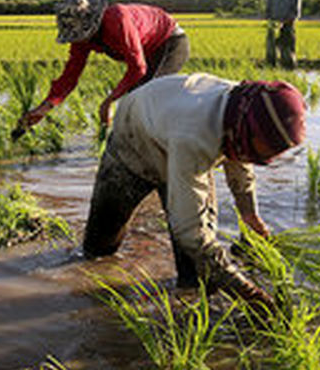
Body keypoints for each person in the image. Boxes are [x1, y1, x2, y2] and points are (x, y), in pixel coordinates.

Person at [82, 72, 306, 311]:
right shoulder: (196, 135)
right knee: (98, 249)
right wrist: (246, 291)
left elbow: (240, 158)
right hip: (133, 141)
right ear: (246, 126)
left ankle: (185, 307)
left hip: (177, 135)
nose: (258, 157)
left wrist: (249, 214)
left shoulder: (243, 107)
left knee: (197, 274)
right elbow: (192, 231)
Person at [16, 0, 189, 133]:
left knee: (146, 98)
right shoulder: (81, 40)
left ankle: (179, 139)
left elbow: (137, 68)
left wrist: (109, 101)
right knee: (136, 102)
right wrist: (45, 107)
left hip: (169, 42)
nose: (78, 39)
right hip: (146, 51)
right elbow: (70, 76)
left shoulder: (117, 20)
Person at [264, 0, 301, 68]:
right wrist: (272, 22)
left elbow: (296, 14)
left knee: (287, 54)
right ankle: (271, 73)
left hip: (287, 28)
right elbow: (267, 10)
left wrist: (284, 22)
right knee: (271, 53)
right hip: (273, 27)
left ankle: (289, 72)